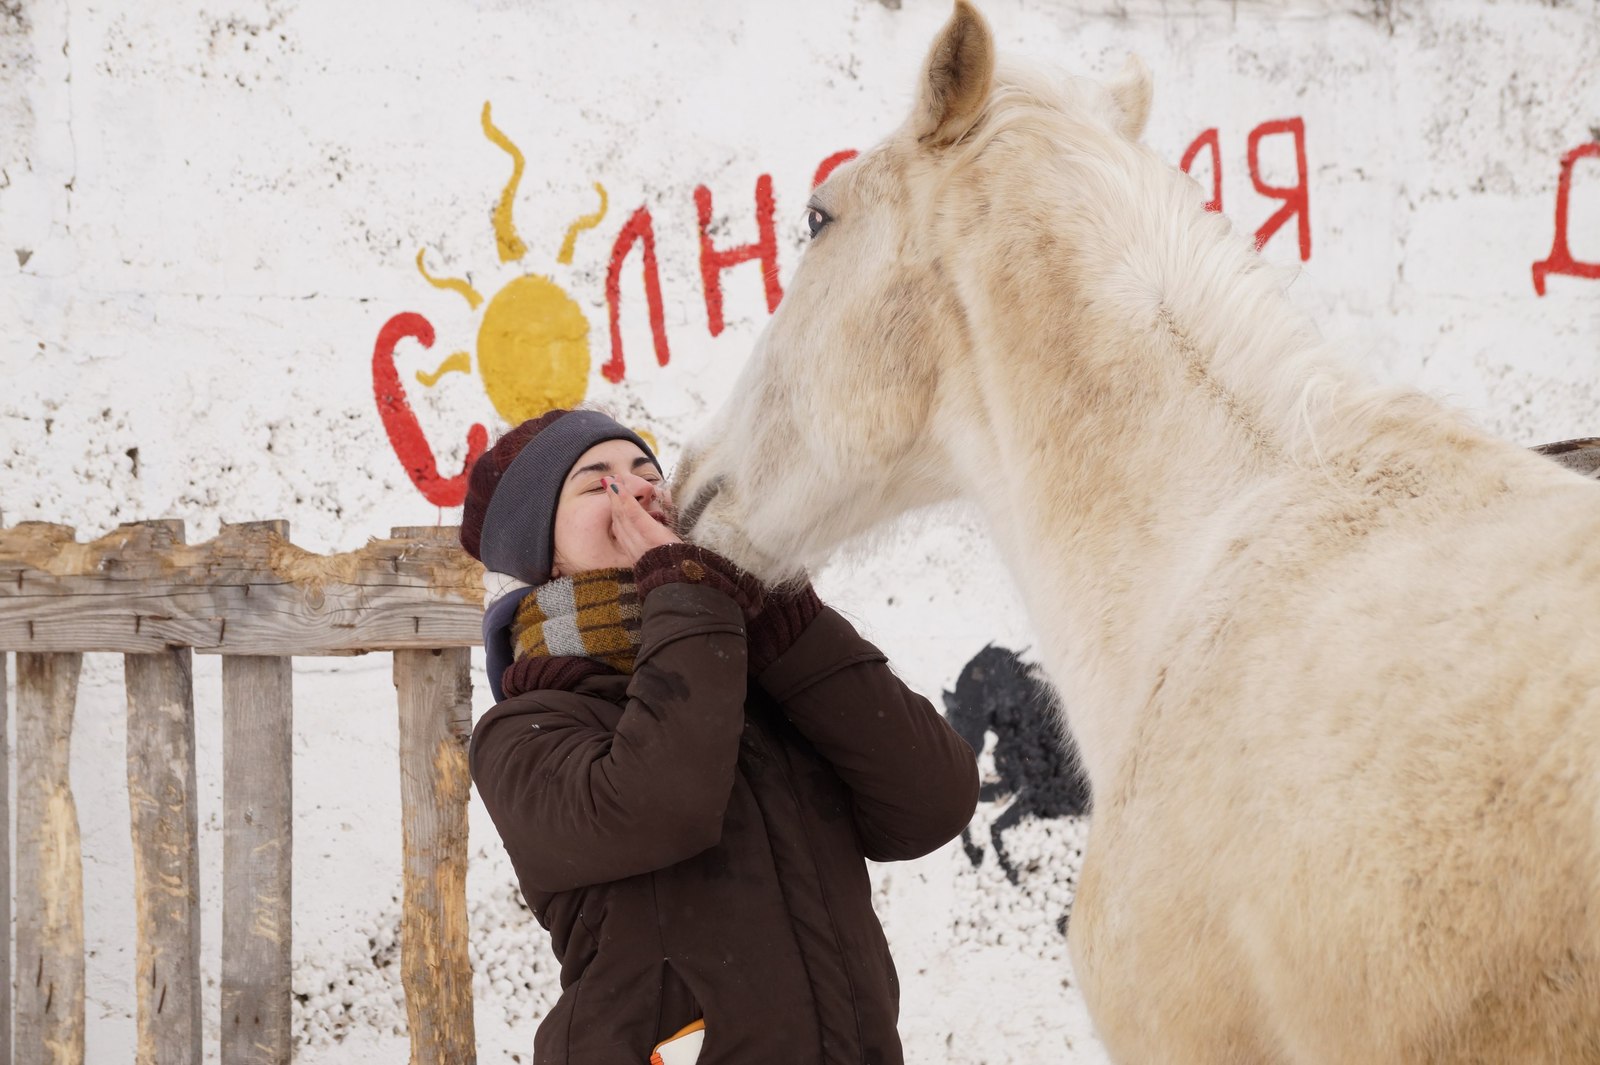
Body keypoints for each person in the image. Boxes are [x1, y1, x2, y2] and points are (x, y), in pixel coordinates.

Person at [459, 408, 981, 1065]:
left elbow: (932, 803)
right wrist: (688, 591)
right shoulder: (522, 730)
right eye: (598, 485)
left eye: (649, 474)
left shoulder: (759, 683)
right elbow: (663, 804)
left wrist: (786, 621)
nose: (638, 490)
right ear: (545, 555)